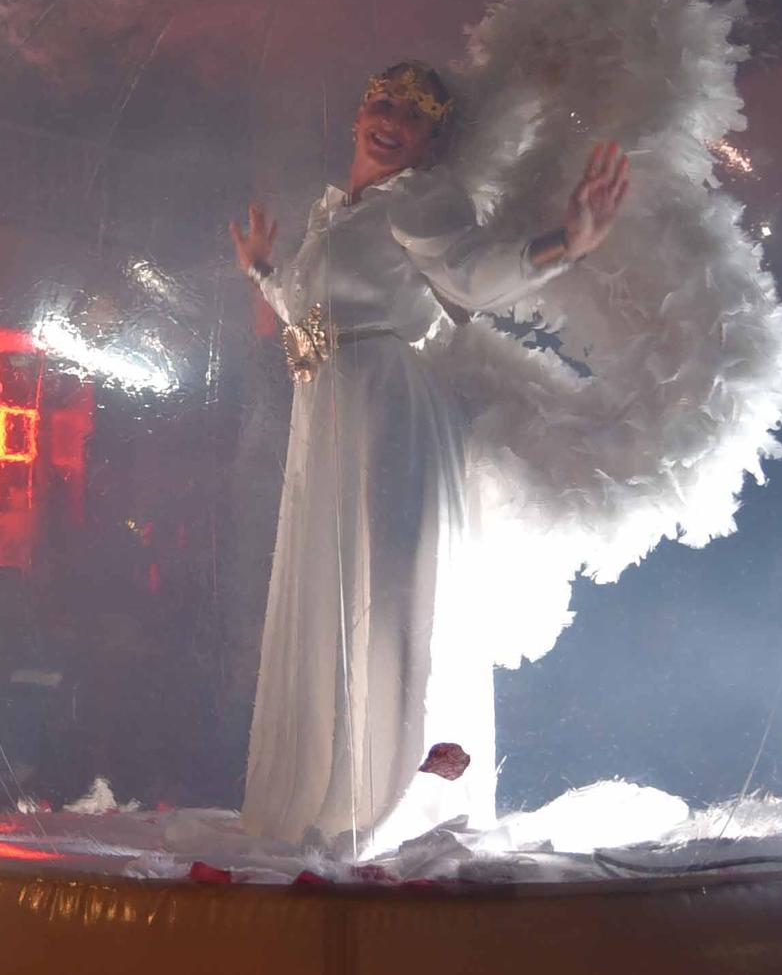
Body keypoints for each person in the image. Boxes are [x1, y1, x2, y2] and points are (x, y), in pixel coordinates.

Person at [229, 61, 628, 858]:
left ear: (432, 139)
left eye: (414, 116)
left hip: (387, 414)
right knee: (334, 592)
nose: (392, 120)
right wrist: (266, 274)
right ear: (357, 114)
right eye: (382, 102)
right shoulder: (334, 212)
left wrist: (564, 241)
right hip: (329, 414)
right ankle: (331, 786)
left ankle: (398, 795)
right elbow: (312, 323)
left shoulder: (422, 199)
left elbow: (473, 275)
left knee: (388, 593)